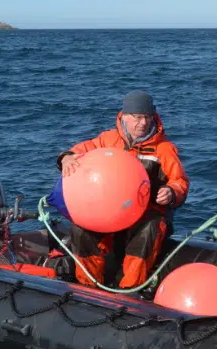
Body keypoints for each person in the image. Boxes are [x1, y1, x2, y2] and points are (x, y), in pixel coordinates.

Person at [56, 90, 190, 289]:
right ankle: (89, 285)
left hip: (148, 213)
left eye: (147, 117)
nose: (142, 123)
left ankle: (130, 289)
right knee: (81, 230)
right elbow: (78, 151)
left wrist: (171, 192)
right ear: (124, 117)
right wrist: (65, 157)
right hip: (112, 212)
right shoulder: (107, 140)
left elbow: (180, 181)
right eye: (137, 117)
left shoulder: (164, 149)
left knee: (149, 229)